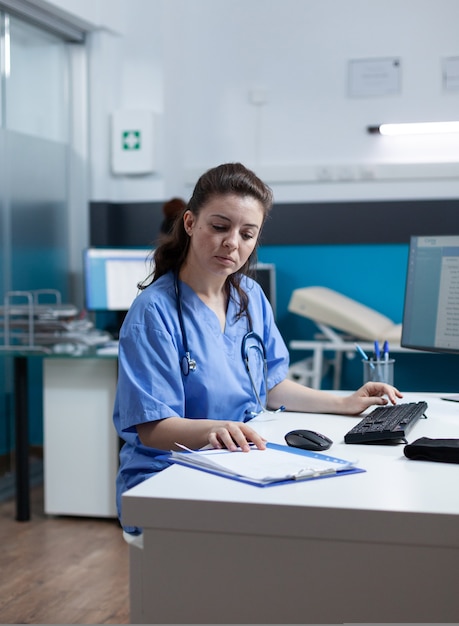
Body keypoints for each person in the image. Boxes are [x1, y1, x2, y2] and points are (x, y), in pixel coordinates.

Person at [113, 162, 403, 536]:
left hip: (239, 461)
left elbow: (270, 385)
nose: (233, 242)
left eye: (247, 234)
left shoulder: (248, 296)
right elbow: (154, 429)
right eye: (220, 227)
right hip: (168, 475)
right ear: (189, 223)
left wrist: (344, 402)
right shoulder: (154, 312)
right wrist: (217, 430)